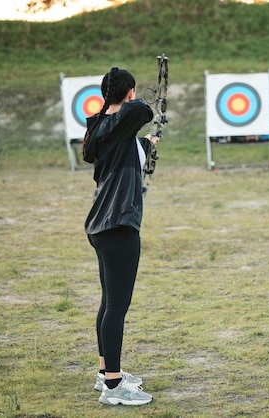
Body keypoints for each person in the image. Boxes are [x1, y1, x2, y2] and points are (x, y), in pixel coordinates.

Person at [82, 66, 159, 406]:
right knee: (117, 305)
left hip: (101, 225)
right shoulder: (123, 116)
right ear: (128, 93)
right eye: (133, 91)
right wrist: (128, 99)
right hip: (118, 225)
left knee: (108, 302)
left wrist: (146, 143)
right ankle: (114, 387)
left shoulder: (101, 130)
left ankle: (105, 373)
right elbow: (143, 110)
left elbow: (123, 145)